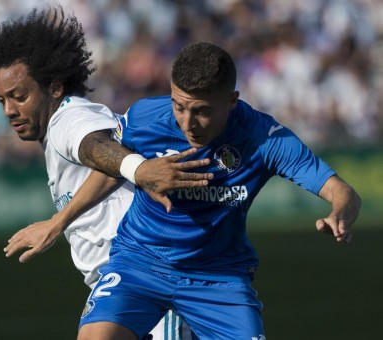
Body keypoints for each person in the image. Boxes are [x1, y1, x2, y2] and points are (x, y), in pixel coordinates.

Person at [71, 42, 362, 339]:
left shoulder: (265, 138)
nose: (188, 123)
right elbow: (112, 169)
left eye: (202, 111)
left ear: (231, 100)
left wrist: (339, 214)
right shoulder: (145, 117)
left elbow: (342, 191)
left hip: (218, 277)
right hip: (140, 263)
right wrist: (58, 222)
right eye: (179, 106)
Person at [0, 6, 210, 339]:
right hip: (120, 283)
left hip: (150, 277)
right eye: (1, 100)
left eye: (19, 96)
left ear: (55, 88)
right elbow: (110, 163)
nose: (9, 110)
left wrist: (57, 222)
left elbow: (96, 147)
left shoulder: (68, 121)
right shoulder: (59, 126)